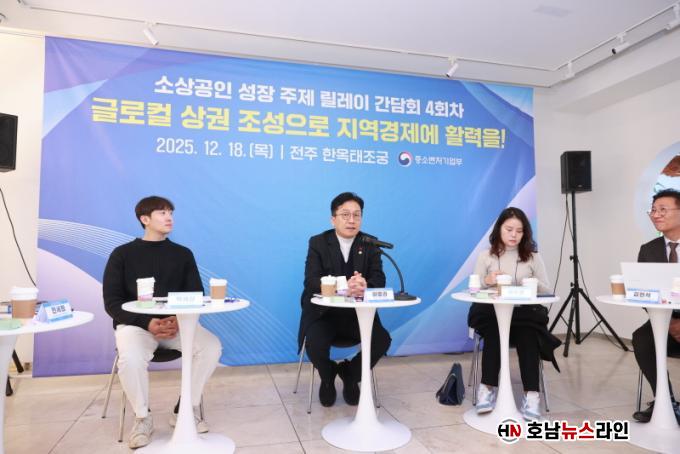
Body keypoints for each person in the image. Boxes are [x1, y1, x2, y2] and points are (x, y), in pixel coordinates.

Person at [103, 196, 222, 449]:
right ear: (144, 219)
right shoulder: (122, 254)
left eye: (170, 213)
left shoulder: (182, 254)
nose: (169, 217)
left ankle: (185, 409)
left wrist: (177, 321)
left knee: (211, 347)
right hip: (136, 326)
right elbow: (112, 303)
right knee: (130, 358)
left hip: (177, 325)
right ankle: (142, 418)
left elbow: (196, 295)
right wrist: (147, 323)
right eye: (162, 213)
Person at [298, 192, 392, 407]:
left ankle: (350, 375)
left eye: (357, 215)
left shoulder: (370, 243)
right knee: (315, 343)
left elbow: (379, 279)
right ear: (333, 219)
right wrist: (342, 287)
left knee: (382, 340)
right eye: (345, 215)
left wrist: (365, 285)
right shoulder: (318, 242)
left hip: (358, 315)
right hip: (324, 315)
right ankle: (328, 376)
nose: (352, 220)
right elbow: (311, 281)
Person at [467, 207, 561, 420]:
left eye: (519, 231)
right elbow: (474, 288)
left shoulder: (533, 257)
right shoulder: (485, 256)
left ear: (525, 233)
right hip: (490, 313)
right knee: (494, 331)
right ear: (499, 229)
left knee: (528, 334)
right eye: (509, 229)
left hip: (523, 314)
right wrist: (487, 280)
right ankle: (487, 388)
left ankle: (532, 395)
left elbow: (546, 289)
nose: (513, 235)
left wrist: (531, 283)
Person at [631, 188, 680, 424]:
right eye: (653, 210)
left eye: (663, 209)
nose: (656, 215)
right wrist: (670, 322)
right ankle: (665, 401)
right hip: (664, 320)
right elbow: (644, 293)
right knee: (641, 338)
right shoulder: (648, 250)